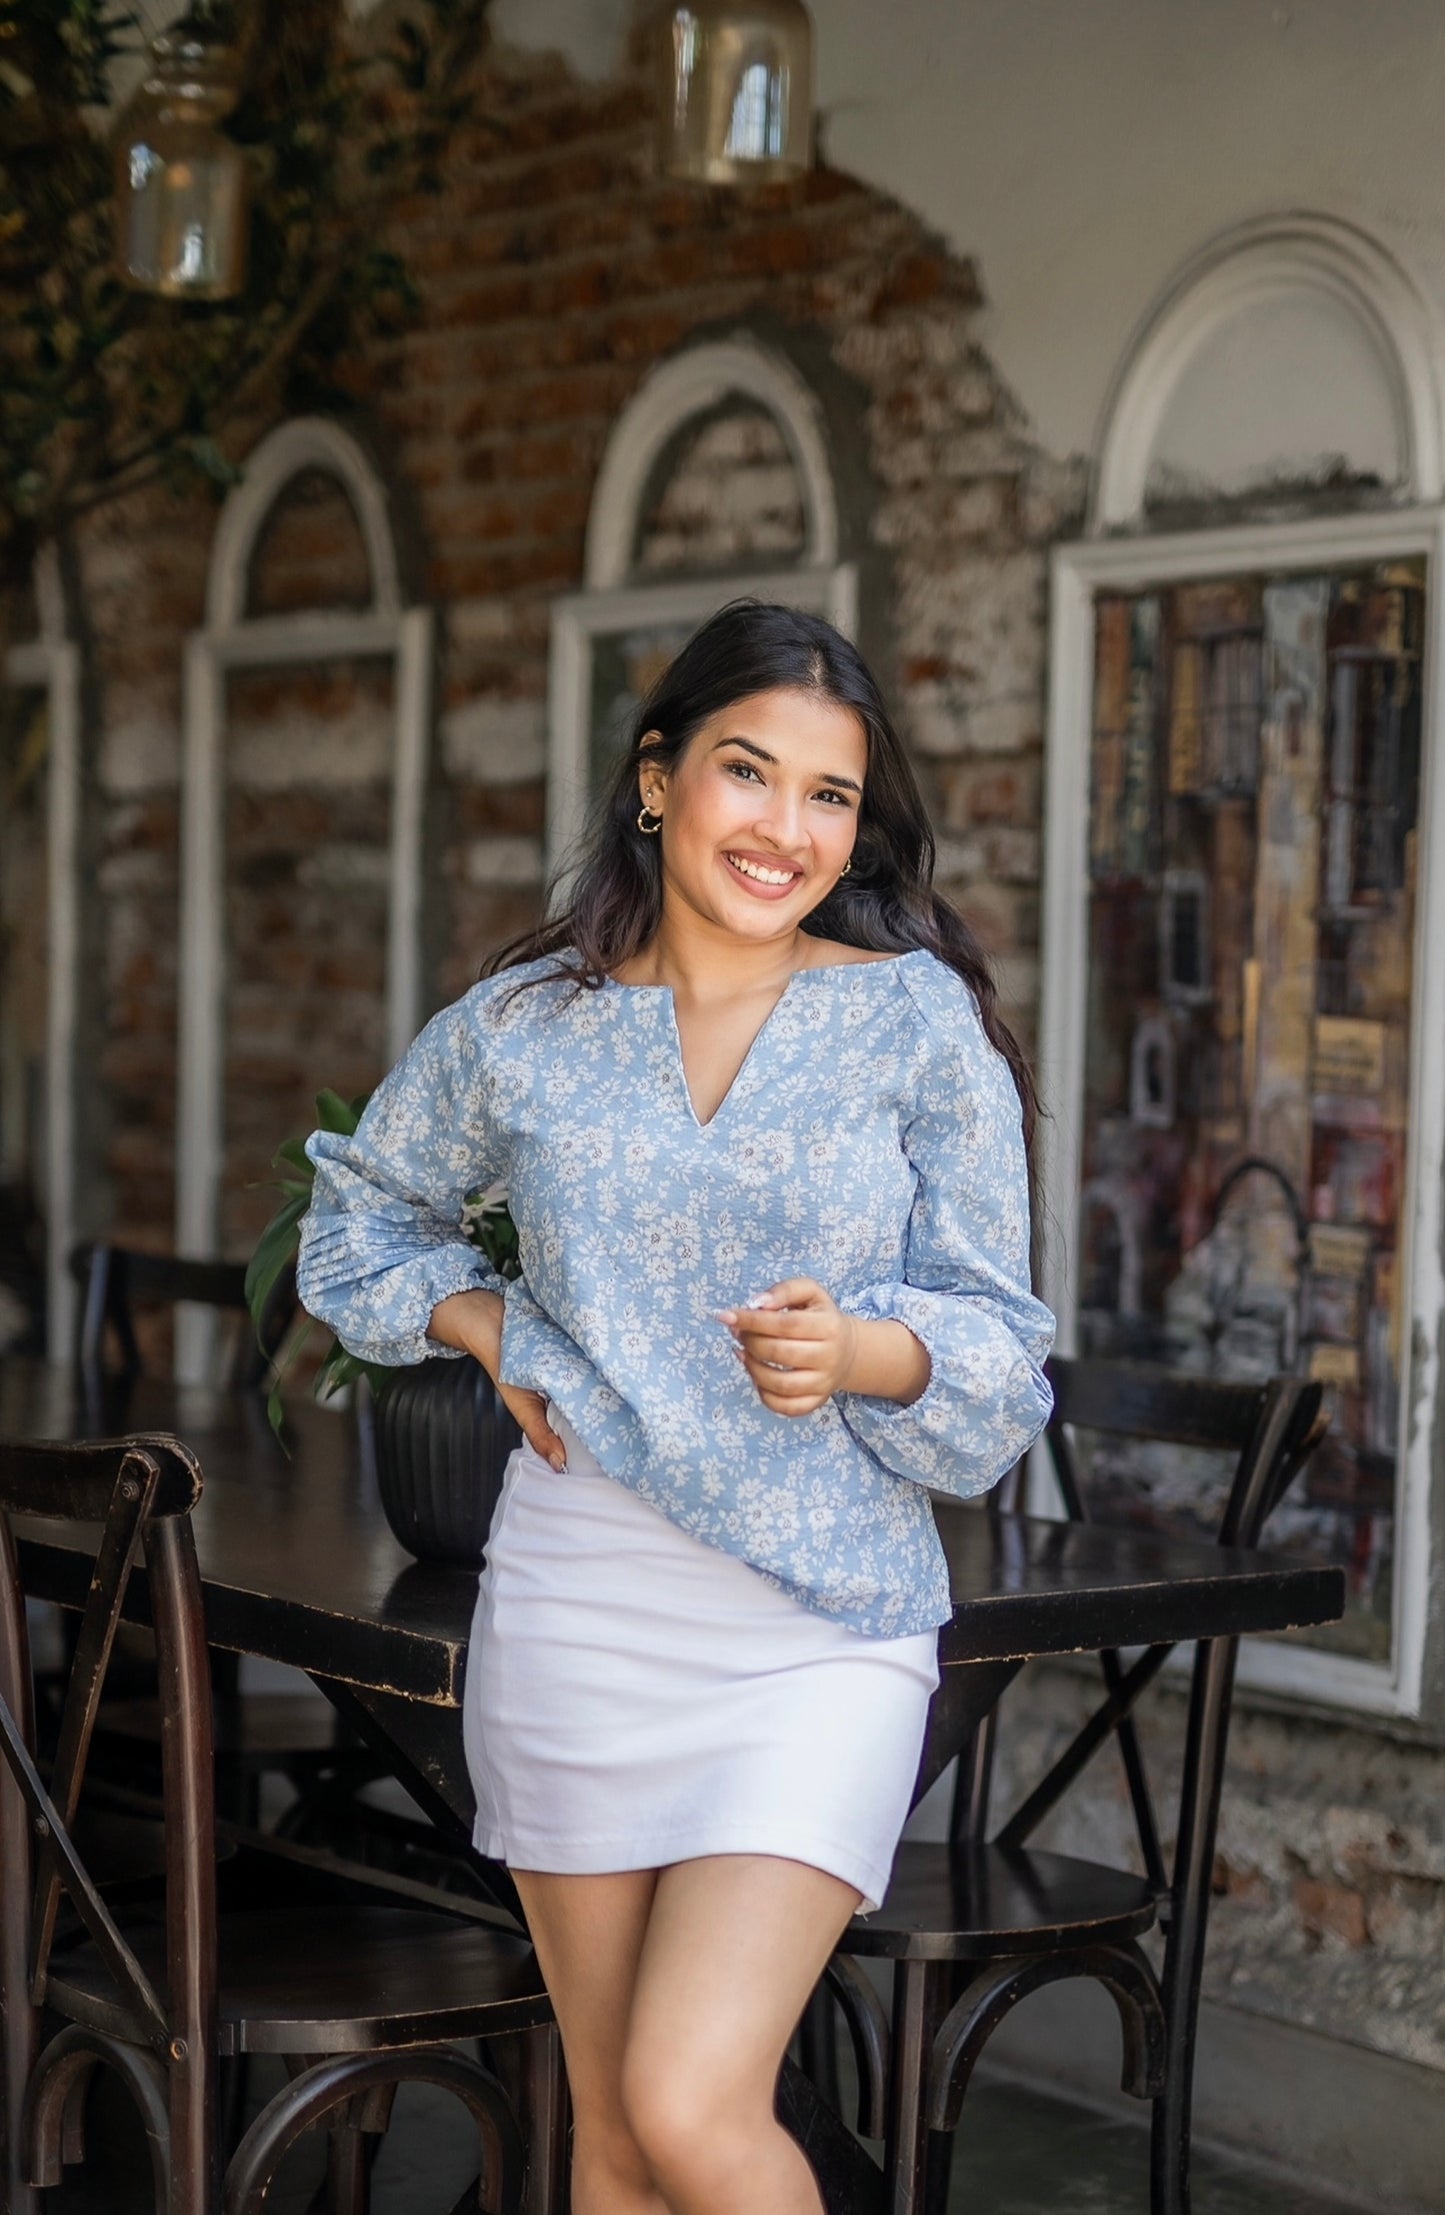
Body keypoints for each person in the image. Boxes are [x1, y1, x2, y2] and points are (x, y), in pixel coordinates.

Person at [297, 599, 1055, 2215]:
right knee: (620, 2145)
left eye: (828, 795)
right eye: (746, 771)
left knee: (693, 2103)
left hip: (823, 1624)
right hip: (583, 1604)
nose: (785, 828)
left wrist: (861, 1352)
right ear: (658, 780)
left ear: (858, 827)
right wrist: (493, 1323)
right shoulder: (524, 1032)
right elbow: (357, 1218)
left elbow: (998, 1349)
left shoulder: (911, 1026)